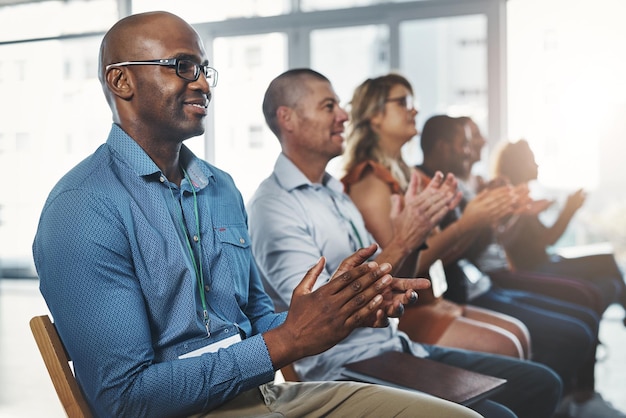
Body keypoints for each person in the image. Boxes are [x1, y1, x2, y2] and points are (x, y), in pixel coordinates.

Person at [31, 12, 486, 418]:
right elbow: (125, 399)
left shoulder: (220, 188)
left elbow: (257, 319)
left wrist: (340, 313)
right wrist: (285, 342)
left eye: (204, 69)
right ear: (121, 82)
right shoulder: (81, 209)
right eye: (182, 67)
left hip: (261, 398)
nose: (203, 84)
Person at [248, 68, 563, 418]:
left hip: (393, 347)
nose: (343, 115)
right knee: (501, 413)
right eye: (328, 106)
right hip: (344, 371)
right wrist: (406, 238)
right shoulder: (273, 205)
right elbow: (323, 315)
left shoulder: (335, 192)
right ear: (287, 119)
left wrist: (412, 241)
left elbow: (390, 274)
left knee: (542, 383)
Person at [417, 114, 625, 418]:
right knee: (578, 317)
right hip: (480, 284)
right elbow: (461, 252)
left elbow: (487, 243)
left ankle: (574, 396)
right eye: (466, 142)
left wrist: (503, 215)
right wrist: (487, 219)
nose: (472, 148)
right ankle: (572, 397)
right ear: (444, 146)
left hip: (483, 282)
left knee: (595, 288)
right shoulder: (429, 185)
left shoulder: (467, 185)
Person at [340, 73, 531, 360]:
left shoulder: (405, 173)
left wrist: (481, 218)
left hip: (432, 298)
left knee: (519, 335)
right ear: (374, 116)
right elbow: (398, 271)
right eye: (403, 102)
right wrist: (468, 222)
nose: (414, 109)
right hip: (404, 314)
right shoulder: (370, 182)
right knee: (509, 345)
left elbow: (436, 250)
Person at [492, 138, 626, 321]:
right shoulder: (510, 198)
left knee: (611, 284)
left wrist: (569, 210)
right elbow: (545, 241)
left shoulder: (523, 197)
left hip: (545, 262)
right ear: (519, 164)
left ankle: (586, 324)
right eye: (531, 159)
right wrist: (568, 211)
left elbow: (546, 239)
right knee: (607, 260)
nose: (537, 163)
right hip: (536, 270)